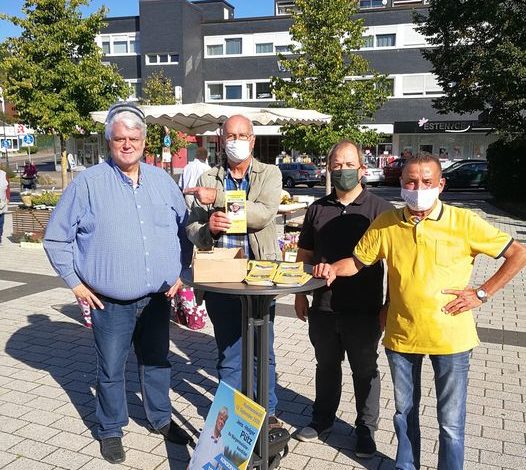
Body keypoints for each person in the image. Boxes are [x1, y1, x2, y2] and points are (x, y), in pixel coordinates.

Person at [313, 155, 526, 470]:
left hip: (451, 338)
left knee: (451, 423)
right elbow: (358, 262)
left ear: (441, 184)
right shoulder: (387, 223)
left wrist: (482, 293)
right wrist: (332, 268)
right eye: (411, 182)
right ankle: (406, 465)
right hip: (402, 336)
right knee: (404, 414)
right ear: (401, 184)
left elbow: (517, 252)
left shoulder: (463, 221)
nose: (418, 188)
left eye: (427, 182)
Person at [44, 102, 193, 464]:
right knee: (110, 368)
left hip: (157, 297)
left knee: (158, 362)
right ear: (108, 140)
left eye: (134, 137)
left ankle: (160, 418)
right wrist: (76, 285)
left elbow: (185, 230)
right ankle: (110, 428)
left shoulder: (163, 182)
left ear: (145, 140)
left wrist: (181, 272)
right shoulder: (88, 184)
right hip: (109, 302)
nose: (127, 144)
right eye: (119, 138)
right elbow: (55, 239)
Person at [293, 140, 393, 458]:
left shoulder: (381, 210)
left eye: (349, 164)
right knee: (327, 366)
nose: (343, 170)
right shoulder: (317, 209)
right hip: (323, 306)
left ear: (362, 169)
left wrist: (389, 305)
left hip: (364, 309)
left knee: (365, 370)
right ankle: (322, 420)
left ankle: (365, 429)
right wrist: (300, 295)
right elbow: (304, 255)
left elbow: (396, 263)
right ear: (328, 169)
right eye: (337, 165)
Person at [185, 114, 282, 424]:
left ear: (253, 140)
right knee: (229, 354)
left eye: (243, 135)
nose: (236, 141)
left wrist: (220, 200)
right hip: (221, 279)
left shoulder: (269, 174)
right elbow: (191, 228)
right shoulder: (207, 178)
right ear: (220, 139)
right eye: (231, 136)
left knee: (261, 352)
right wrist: (208, 230)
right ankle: (233, 419)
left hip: (260, 278)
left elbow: (263, 214)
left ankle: (267, 415)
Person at [0, 167, 10, 244]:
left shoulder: (3, 174)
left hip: (2, 202)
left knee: (1, 221)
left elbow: (8, 188)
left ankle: (0, 235)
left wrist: (8, 198)